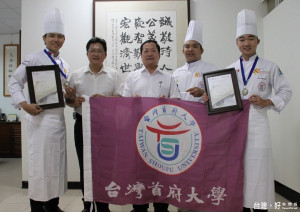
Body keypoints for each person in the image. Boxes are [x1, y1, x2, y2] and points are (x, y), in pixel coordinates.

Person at [227, 9, 292, 212]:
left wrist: (267, 102)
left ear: (258, 41)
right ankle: (243, 207)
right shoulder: (229, 69)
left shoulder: (270, 67)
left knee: (261, 170)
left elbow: (286, 91)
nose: (247, 43)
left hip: (259, 125)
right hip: (236, 128)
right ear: (236, 42)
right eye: (242, 39)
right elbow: (224, 99)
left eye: (251, 39)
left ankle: (261, 208)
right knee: (241, 170)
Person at [8, 8, 70, 212]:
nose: (56, 39)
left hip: (58, 121)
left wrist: (69, 93)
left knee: (56, 165)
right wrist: (25, 105)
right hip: (40, 120)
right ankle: (36, 206)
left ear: (64, 39)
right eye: (52, 35)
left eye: (60, 36)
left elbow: (62, 93)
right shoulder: (33, 58)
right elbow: (14, 83)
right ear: (44, 38)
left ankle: (53, 205)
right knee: (40, 166)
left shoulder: (64, 64)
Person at [65, 37, 123, 212]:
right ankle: (87, 204)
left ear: (105, 54)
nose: (95, 54)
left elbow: (121, 99)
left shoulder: (114, 75)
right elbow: (69, 101)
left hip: (106, 127)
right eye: (92, 51)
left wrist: (105, 100)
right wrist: (73, 99)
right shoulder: (76, 75)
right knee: (85, 165)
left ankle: (103, 205)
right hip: (82, 125)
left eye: (99, 51)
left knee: (105, 166)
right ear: (87, 54)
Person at [122, 39, 180, 212]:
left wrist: (167, 101)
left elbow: (178, 101)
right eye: (145, 50)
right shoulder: (132, 77)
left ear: (159, 55)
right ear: (140, 55)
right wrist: (134, 102)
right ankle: (139, 207)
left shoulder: (168, 77)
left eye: (153, 50)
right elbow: (124, 104)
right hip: (139, 133)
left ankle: (161, 207)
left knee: (162, 172)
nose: (149, 53)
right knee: (139, 172)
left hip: (163, 134)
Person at [173, 20, 217, 102]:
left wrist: (203, 92)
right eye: (187, 46)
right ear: (183, 51)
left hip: (202, 114)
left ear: (202, 50)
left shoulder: (212, 70)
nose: (190, 49)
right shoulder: (176, 73)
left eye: (195, 46)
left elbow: (221, 95)